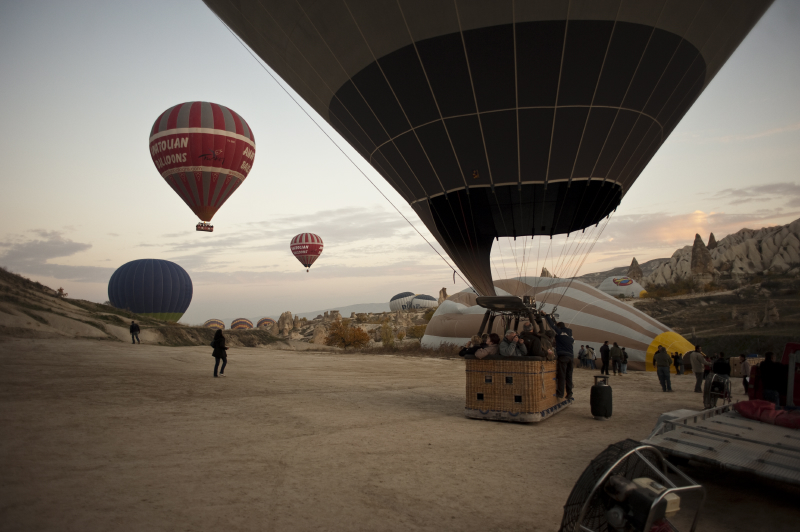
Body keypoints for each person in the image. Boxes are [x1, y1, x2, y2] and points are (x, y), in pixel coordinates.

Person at [544, 315, 574, 400]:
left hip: (563, 356)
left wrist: (546, 316)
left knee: (562, 375)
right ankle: (569, 393)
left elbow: (552, 326)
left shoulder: (559, 332)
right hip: (571, 357)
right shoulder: (570, 334)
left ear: (559, 327)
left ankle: (560, 393)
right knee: (569, 376)